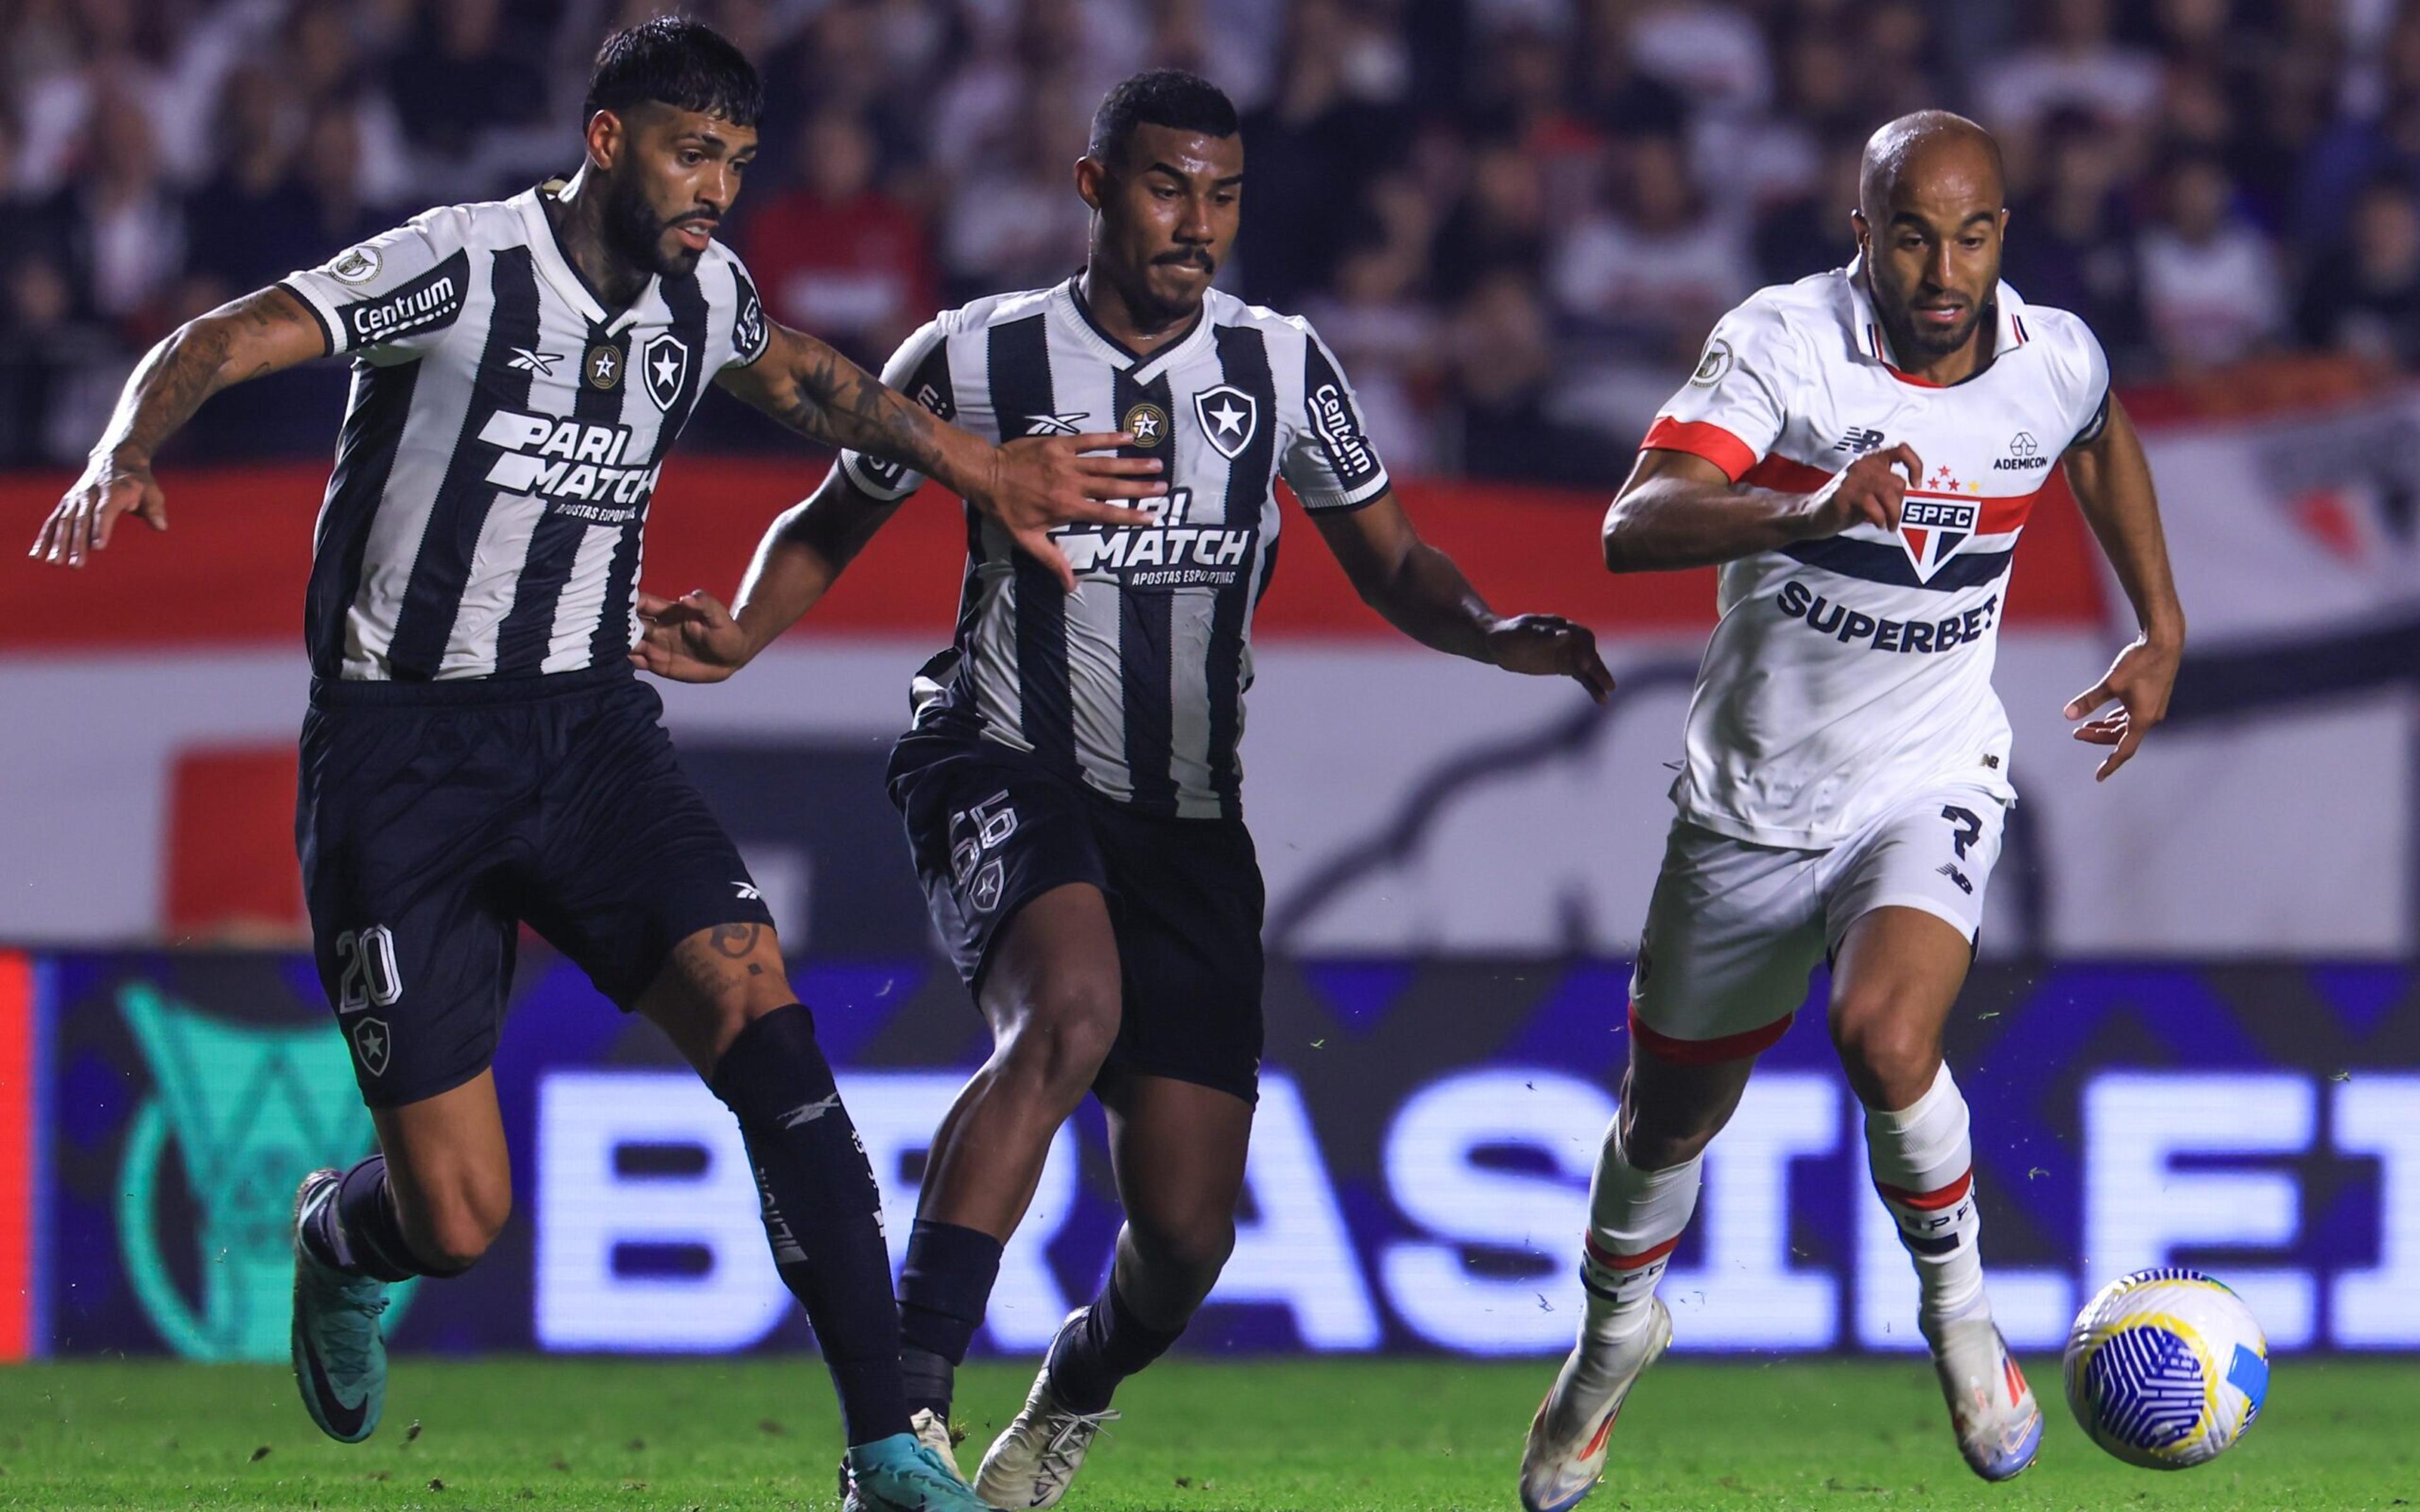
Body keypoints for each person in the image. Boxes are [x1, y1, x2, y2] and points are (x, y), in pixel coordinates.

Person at [28, 20, 1161, 1512]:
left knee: (769, 1021)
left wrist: (989, 468)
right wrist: (129, 444)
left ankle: (887, 1443)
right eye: (696, 154)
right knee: (458, 1214)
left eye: (741, 166)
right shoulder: (461, 262)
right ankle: (341, 1239)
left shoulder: (704, 294)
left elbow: (816, 381)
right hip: (400, 760)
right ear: (611, 139)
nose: (719, 190)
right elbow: (226, 336)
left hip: (589, 735)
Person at [632, 69, 1615, 1510]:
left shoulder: (1278, 367)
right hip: (999, 755)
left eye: (1220, 195)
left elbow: (1393, 557)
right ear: (1096, 188)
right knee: (1068, 1015)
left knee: (1189, 1236)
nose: (1194, 222)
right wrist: (746, 631)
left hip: (1189, 823)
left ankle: (1074, 1388)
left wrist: (1489, 630)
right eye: (1167, 188)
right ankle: (902, 1420)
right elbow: (839, 509)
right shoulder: (976, 353)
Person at [1519, 111, 2185, 1512]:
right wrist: (1804, 508)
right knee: (1664, 1125)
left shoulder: (2050, 352)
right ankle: (1609, 1345)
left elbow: (2098, 435)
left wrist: (2162, 627)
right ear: (1861, 230)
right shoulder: (1784, 343)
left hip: (1931, 771)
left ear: (2005, 230)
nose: (1946, 269)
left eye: (1975, 233)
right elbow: (1634, 523)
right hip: (1752, 802)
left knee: (1886, 1037)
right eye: (1913, 235)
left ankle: (1960, 1319)